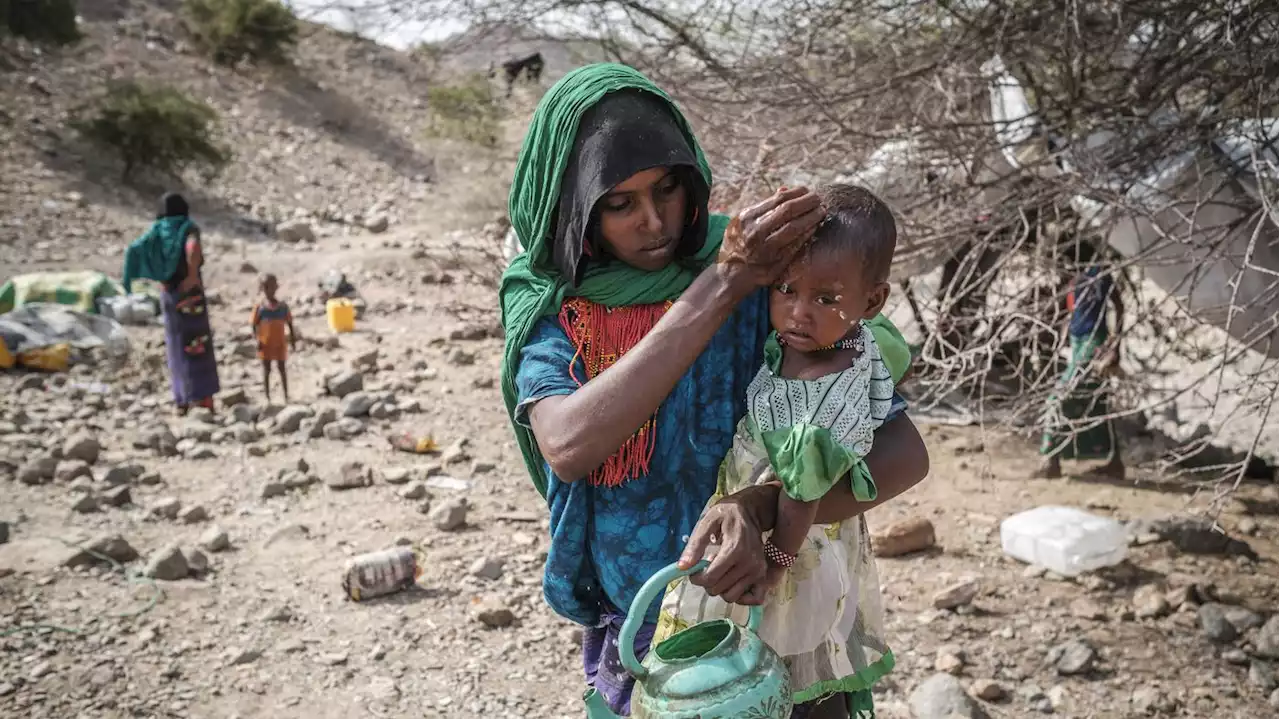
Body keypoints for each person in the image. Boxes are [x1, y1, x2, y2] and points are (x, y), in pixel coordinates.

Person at [501, 63, 929, 719]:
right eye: (619, 203)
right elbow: (567, 442)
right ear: (573, 208)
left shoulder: (775, 281)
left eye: (667, 189)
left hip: (780, 627)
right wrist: (721, 283)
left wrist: (763, 509)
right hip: (647, 631)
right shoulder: (559, 312)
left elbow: (901, 451)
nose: (654, 221)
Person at [653, 184, 912, 717]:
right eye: (787, 289)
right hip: (806, 543)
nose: (798, 313)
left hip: (795, 555)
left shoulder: (823, 393)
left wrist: (774, 562)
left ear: (872, 301)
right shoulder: (853, 341)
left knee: (769, 673)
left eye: (826, 299)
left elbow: (801, 492)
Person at [123, 192, 220, 415]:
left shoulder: (157, 230)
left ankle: (181, 399)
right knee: (197, 343)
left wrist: (133, 279)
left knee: (175, 346)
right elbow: (192, 248)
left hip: (168, 293)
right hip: (189, 294)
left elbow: (134, 249)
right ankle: (202, 398)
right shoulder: (187, 228)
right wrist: (192, 275)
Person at [1036, 245, 1125, 479]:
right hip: (1077, 343)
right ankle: (1114, 461)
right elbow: (1073, 312)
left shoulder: (1098, 275)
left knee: (1059, 397)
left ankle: (1051, 459)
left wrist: (1115, 346)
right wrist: (1063, 337)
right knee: (1096, 401)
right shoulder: (1074, 279)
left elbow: (1119, 306)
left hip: (1094, 342)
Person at [251, 273, 298, 403]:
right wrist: (257, 340)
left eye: (271, 287)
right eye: (266, 287)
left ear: (276, 287)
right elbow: (254, 325)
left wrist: (293, 341)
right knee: (266, 369)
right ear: (262, 288)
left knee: (282, 369)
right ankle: (267, 397)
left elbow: (290, 324)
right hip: (265, 344)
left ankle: (286, 396)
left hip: (280, 343)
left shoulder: (283, 307)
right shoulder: (260, 308)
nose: (269, 290)